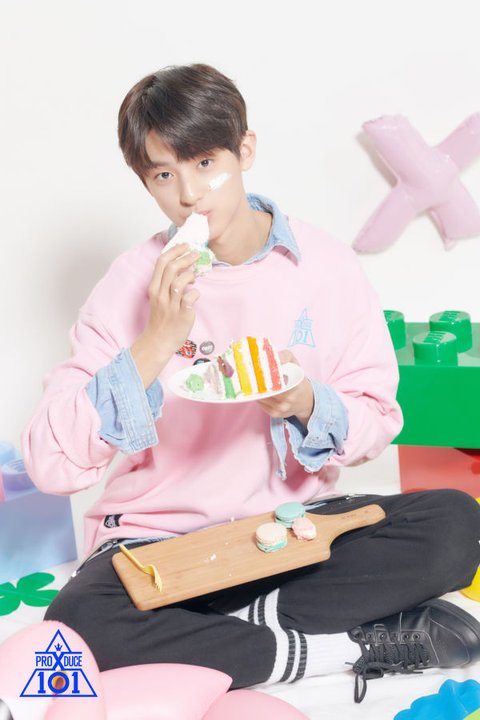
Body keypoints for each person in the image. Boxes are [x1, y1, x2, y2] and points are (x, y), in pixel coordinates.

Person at [22, 63, 480, 704]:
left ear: (245, 151)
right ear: (145, 182)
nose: (189, 194)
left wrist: (306, 402)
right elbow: (51, 463)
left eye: (206, 163)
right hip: (162, 545)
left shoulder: (325, 267)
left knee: (456, 523)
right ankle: (341, 649)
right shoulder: (131, 282)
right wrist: (155, 340)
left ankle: (213, 628)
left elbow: (379, 418)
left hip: (293, 531)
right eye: (163, 175)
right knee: (79, 623)